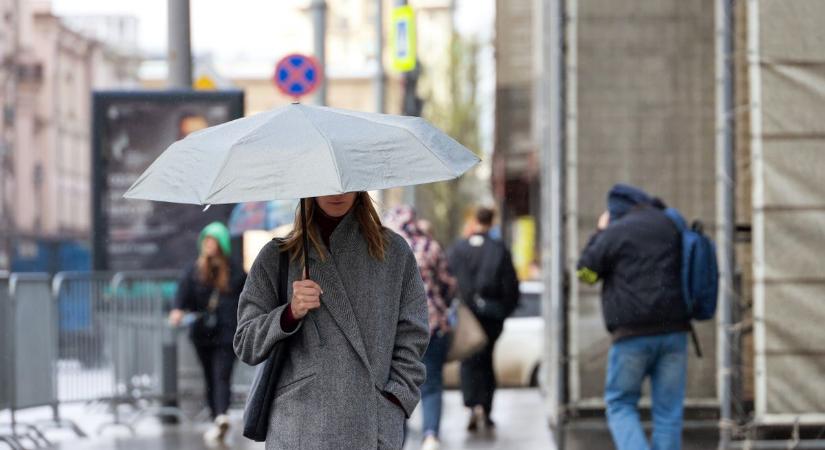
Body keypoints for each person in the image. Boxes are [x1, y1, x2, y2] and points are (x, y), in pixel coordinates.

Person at [233, 192, 429, 450]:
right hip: (298, 428)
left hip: (371, 425)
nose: (337, 193)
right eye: (326, 185)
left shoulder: (393, 253)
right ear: (309, 188)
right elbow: (245, 342)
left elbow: (413, 336)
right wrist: (290, 312)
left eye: (344, 184)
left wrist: (394, 400)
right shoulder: (278, 256)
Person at [576, 184, 691, 450]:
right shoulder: (670, 223)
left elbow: (586, 274)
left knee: (620, 404)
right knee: (668, 412)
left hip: (632, 334)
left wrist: (599, 233)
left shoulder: (615, 232)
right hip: (675, 330)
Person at [384, 206, 457, 450]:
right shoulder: (430, 246)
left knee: (396, 384)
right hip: (433, 325)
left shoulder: (385, 250)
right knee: (432, 382)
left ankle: (398, 439)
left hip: (395, 330)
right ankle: (430, 436)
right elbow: (449, 284)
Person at [169, 221, 246, 445]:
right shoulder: (194, 271)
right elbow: (181, 296)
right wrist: (177, 311)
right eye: (206, 240)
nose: (209, 245)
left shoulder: (235, 271)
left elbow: (248, 298)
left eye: (213, 241)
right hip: (202, 334)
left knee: (221, 375)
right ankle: (217, 419)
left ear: (221, 244)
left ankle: (221, 414)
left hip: (227, 333)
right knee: (209, 377)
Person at [447, 207, 520, 432]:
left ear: (474, 221)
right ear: (492, 222)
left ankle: (471, 405)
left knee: (469, 361)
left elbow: (447, 280)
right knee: (487, 361)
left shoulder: (458, 249)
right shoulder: (499, 249)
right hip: (491, 317)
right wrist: (503, 311)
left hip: (466, 316)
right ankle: (486, 408)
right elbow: (511, 286)